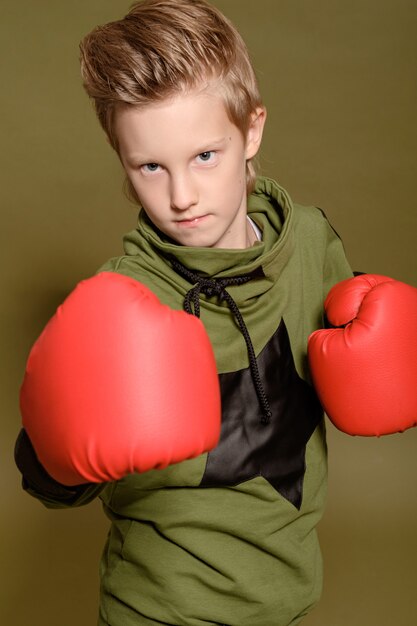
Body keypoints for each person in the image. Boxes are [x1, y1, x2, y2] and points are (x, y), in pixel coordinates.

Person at [14, 1, 373, 624]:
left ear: (251, 130)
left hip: (288, 602)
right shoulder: (119, 300)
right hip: (156, 609)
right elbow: (51, 477)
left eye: (204, 156)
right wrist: (53, 459)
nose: (181, 197)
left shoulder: (311, 244)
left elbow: (363, 375)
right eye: (150, 167)